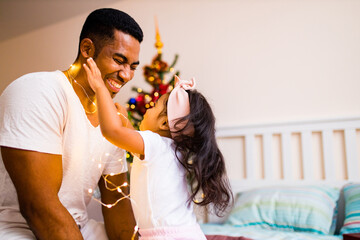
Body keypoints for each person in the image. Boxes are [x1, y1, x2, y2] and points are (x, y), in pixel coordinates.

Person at [0, 8, 143, 240]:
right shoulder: (38, 90)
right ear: (87, 49)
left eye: (133, 67)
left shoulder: (113, 122)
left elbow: (118, 208)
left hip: (79, 228)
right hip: (20, 229)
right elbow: (39, 208)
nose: (126, 75)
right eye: (119, 60)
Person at [84, 57, 233, 239]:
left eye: (154, 106)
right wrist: (124, 120)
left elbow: (112, 132)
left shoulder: (155, 145)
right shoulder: (172, 150)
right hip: (185, 233)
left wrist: (100, 88)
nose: (148, 108)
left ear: (163, 123)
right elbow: (134, 147)